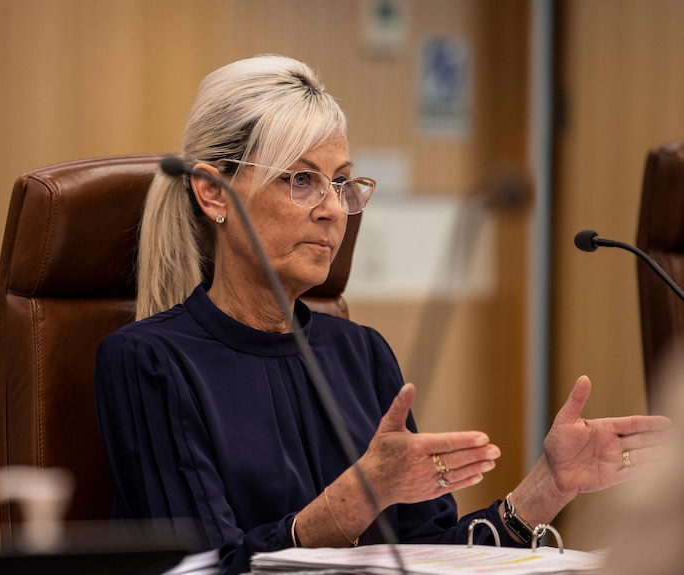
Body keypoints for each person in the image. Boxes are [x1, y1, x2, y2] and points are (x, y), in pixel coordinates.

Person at [94, 54, 671, 575]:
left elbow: (432, 551)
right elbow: (202, 569)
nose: (331, 210)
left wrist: (549, 486)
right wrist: (354, 500)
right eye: (301, 180)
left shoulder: (361, 352)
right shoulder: (149, 361)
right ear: (213, 193)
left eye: (342, 183)